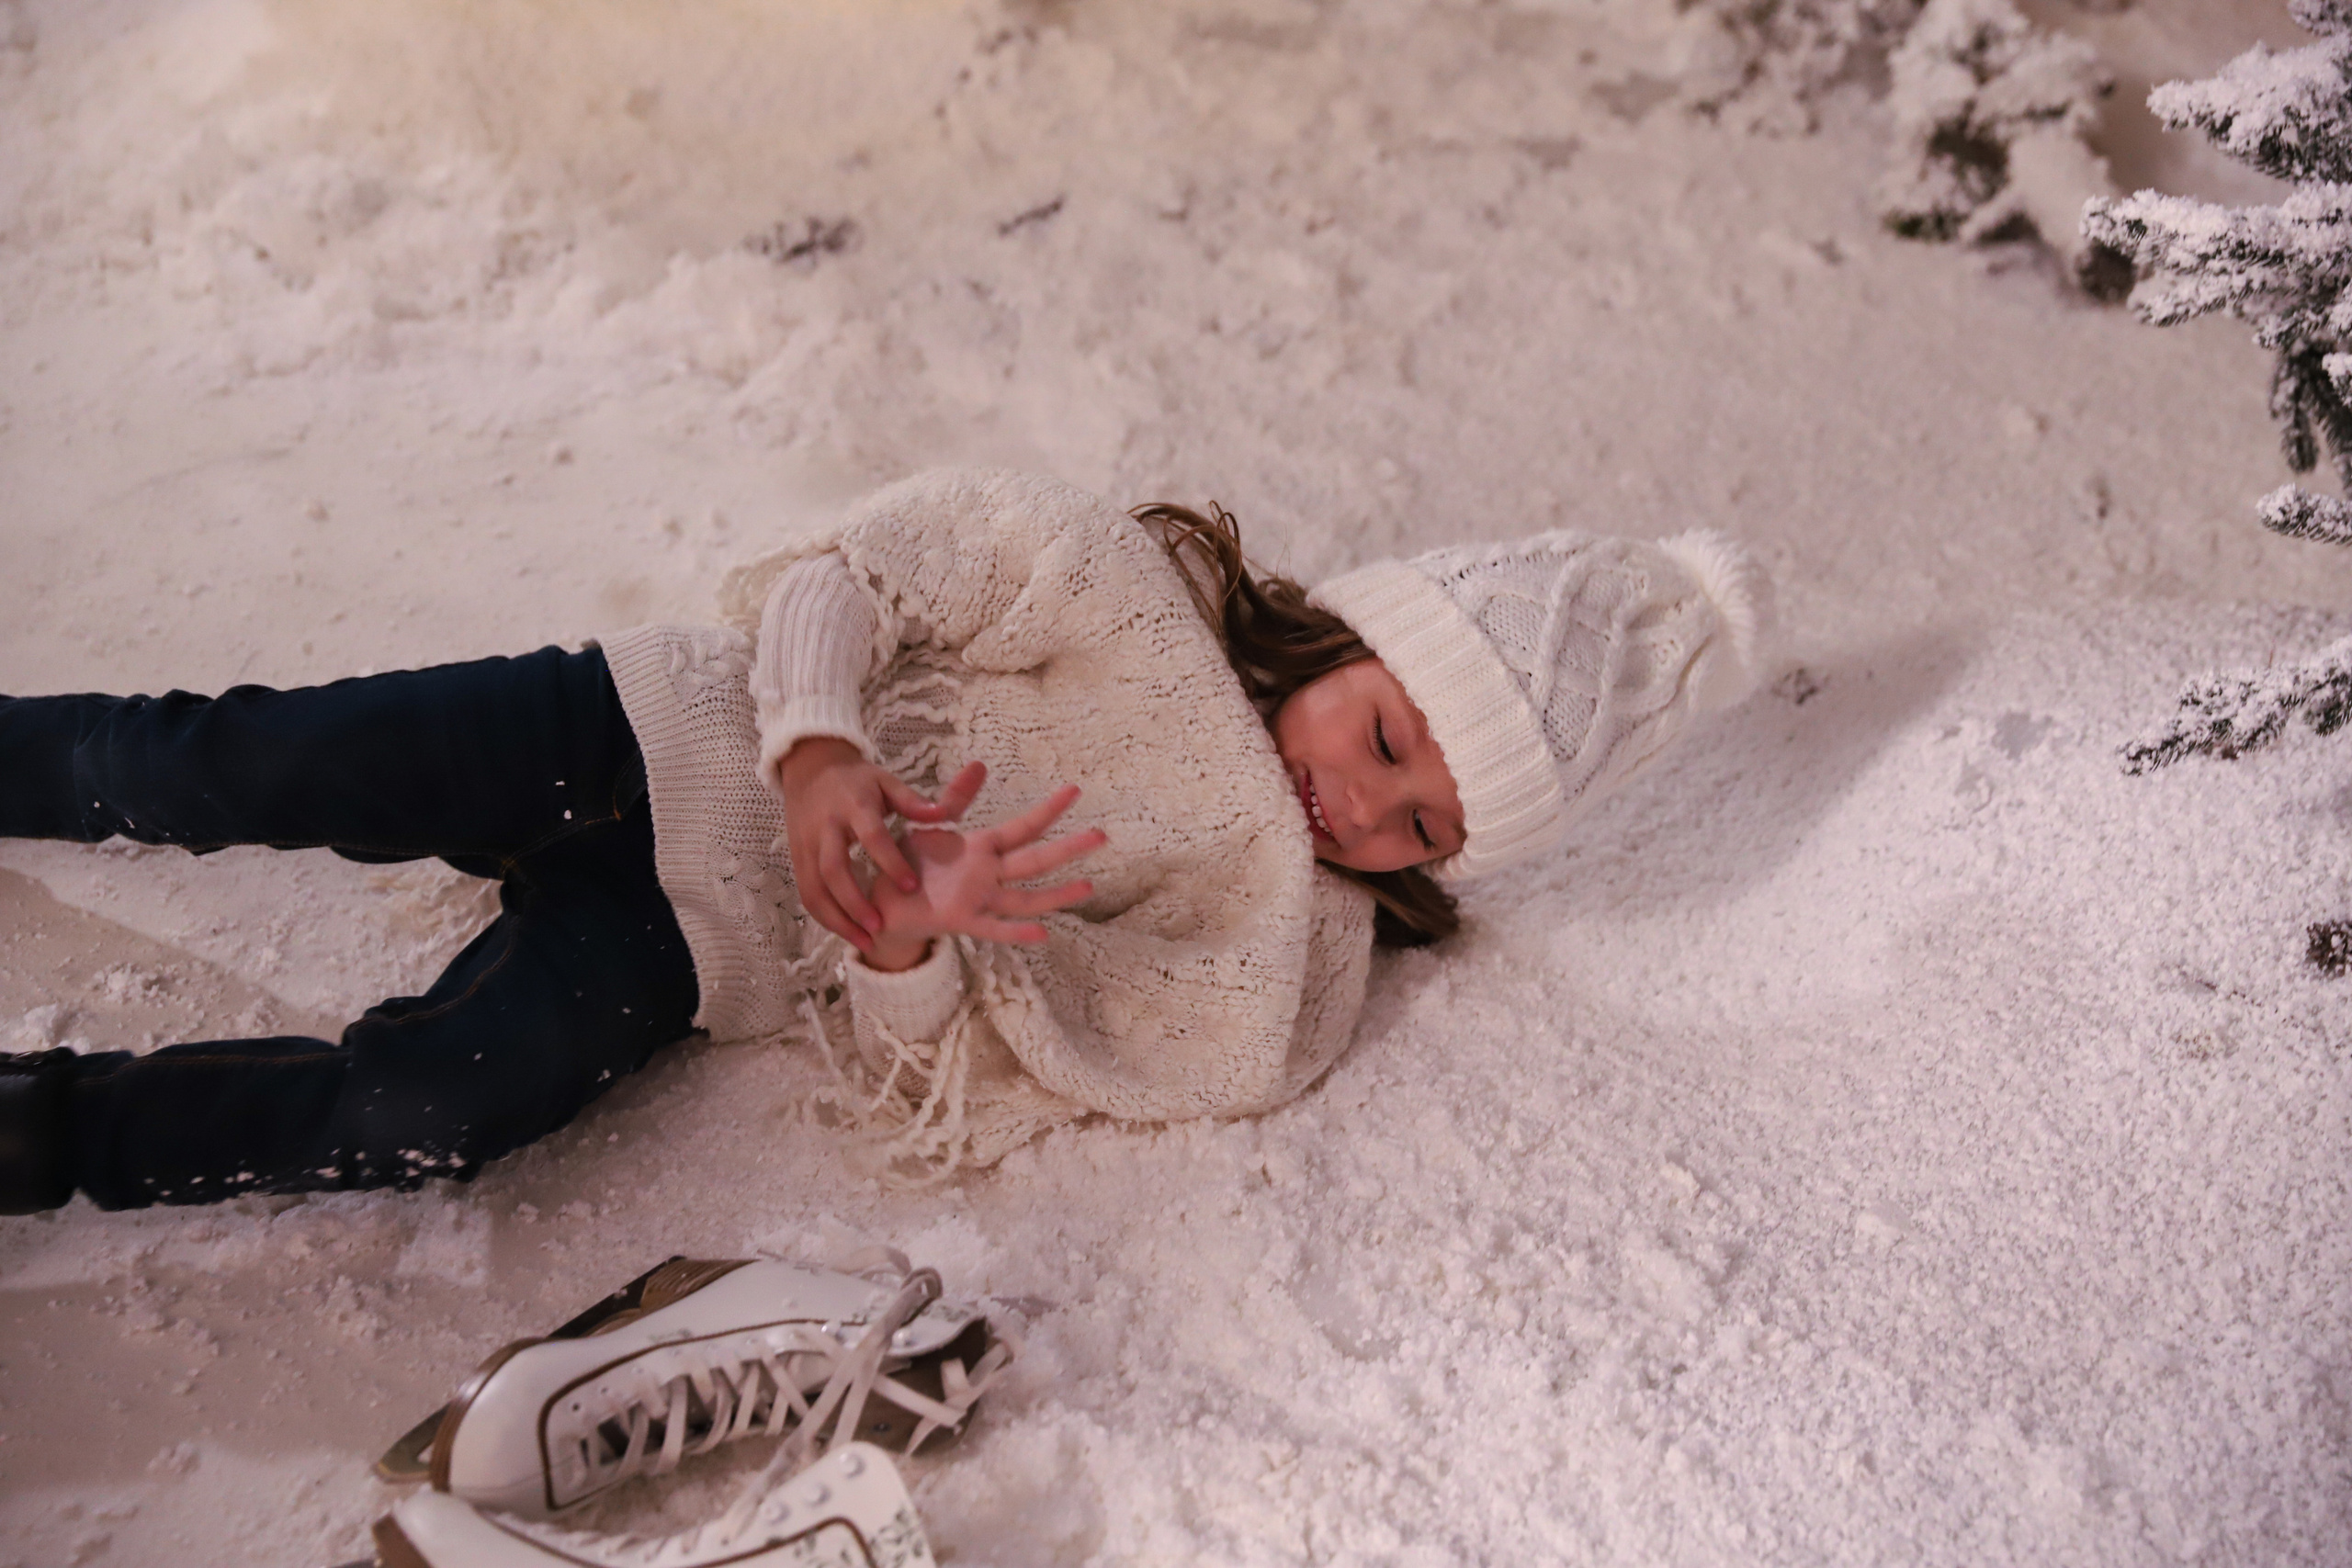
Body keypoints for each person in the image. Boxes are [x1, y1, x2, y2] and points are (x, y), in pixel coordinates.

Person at [0, 468, 1769, 1212]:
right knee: (236, 768)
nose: (1367, 809)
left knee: (429, 1116)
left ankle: (50, 1134)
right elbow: (856, 574)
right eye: (1386, 735)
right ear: (1352, 636)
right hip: (640, 725)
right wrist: (821, 747)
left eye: (1429, 823)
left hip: (701, 955)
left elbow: (988, 1078)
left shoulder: (1275, 951)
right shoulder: (1129, 586)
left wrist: (907, 942)